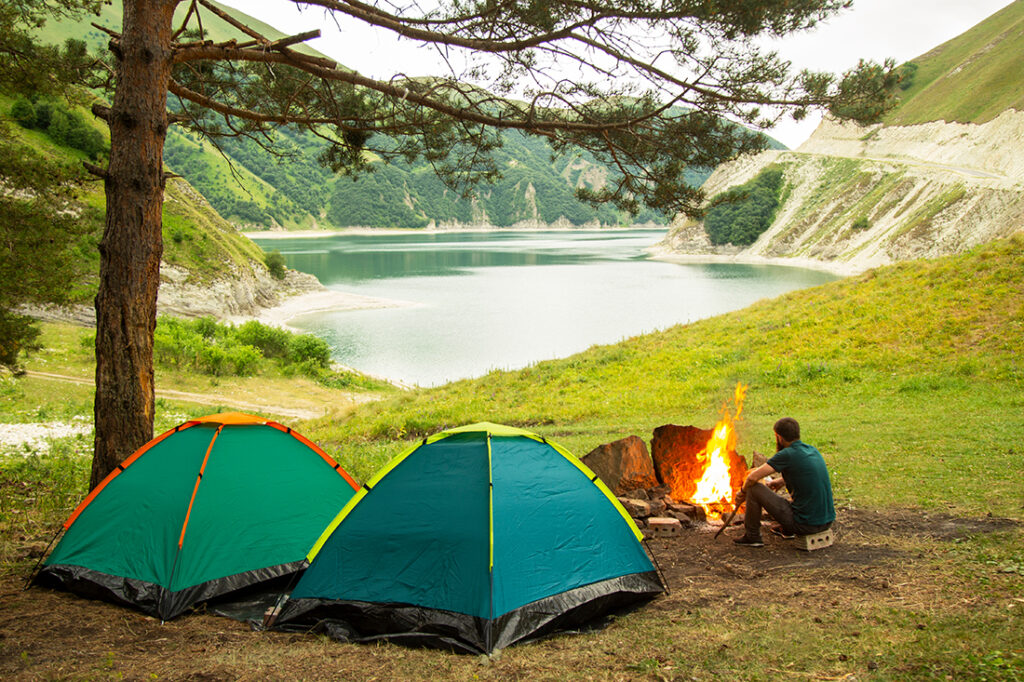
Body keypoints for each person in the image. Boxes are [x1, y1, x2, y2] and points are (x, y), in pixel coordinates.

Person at [733, 417, 835, 547]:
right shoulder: (812, 450)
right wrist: (781, 481)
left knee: (753, 488)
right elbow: (805, 475)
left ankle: (752, 536)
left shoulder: (787, 454)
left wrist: (741, 493)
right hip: (827, 521)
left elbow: (752, 478)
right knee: (798, 501)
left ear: (779, 437)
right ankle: (787, 530)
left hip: (805, 525)